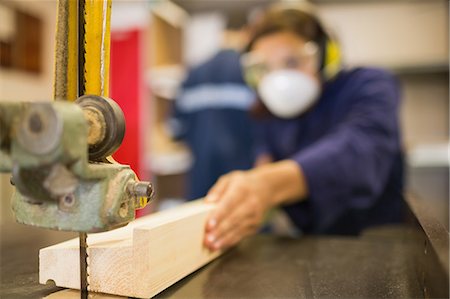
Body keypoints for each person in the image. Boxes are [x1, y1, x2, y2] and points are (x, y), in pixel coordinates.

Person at [203, 5, 404, 251]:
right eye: (264, 68)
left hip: (379, 242)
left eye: (292, 61)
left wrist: (266, 186)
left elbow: (360, 150)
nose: (279, 77)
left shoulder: (369, 85)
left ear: (324, 57)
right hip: (313, 247)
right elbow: (264, 161)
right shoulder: (269, 113)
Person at [171, 23, 257, 200]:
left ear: (222, 35)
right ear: (246, 34)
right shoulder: (251, 72)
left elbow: (176, 128)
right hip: (241, 172)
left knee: (199, 221)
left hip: (200, 174)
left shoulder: (194, 72)